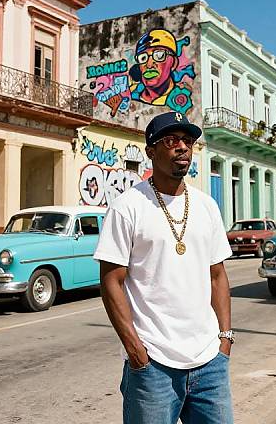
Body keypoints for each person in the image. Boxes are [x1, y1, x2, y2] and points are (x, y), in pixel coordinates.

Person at [94, 111, 234, 424]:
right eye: (171, 140)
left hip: (210, 361)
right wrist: (135, 350)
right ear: (151, 152)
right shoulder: (127, 206)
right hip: (153, 364)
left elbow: (217, 276)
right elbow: (111, 281)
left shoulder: (207, 206)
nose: (182, 147)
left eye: (188, 140)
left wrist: (225, 339)